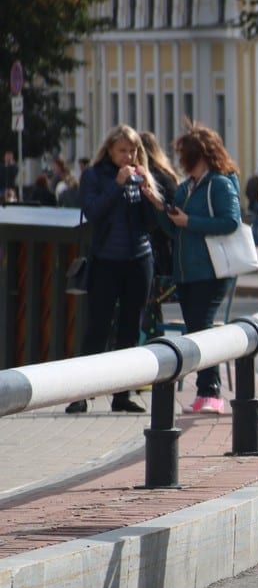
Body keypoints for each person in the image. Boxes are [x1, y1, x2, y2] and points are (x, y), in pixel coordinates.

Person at [141, 122, 241, 415]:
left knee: (202, 330)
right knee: (197, 330)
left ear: (202, 155)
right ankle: (205, 392)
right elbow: (175, 232)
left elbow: (231, 221)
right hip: (186, 272)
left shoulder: (220, 184)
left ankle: (210, 392)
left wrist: (190, 222)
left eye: (187, 155)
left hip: (210, 271)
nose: (182, 161)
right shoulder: (187, 188)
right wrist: (161, 209)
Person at [65, 126, 158, 414]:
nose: (128, 156)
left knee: (130, 329)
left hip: (139, 259)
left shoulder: (140, 175)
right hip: (106, 260)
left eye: (132, 151)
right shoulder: (94, 176)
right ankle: (81, 394)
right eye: (122, 151)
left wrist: (148, 194)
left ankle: (122, 395)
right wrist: (116, 185)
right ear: (109, 150)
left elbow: (152, 222)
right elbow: (93, 211)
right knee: (98, 328)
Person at [139, 131, 181, 338]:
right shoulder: (169, 175)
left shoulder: (152, 178)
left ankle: (148, 343)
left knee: (143, 301)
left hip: (158, 257)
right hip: (168, 255)